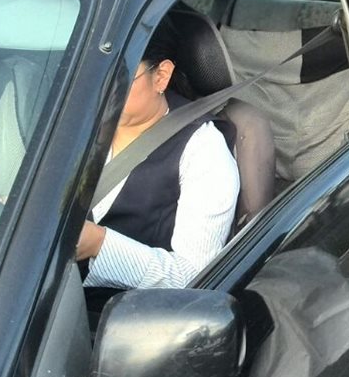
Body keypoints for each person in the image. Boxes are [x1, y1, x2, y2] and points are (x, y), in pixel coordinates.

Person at [76, 25, 240, 293]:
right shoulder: (76, 126)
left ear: (161, 76)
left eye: (117, 78)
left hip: (129, 320)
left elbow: (193, 278)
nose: (97, 91)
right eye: (90, 75)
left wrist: (99, 244)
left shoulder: (203, 150)